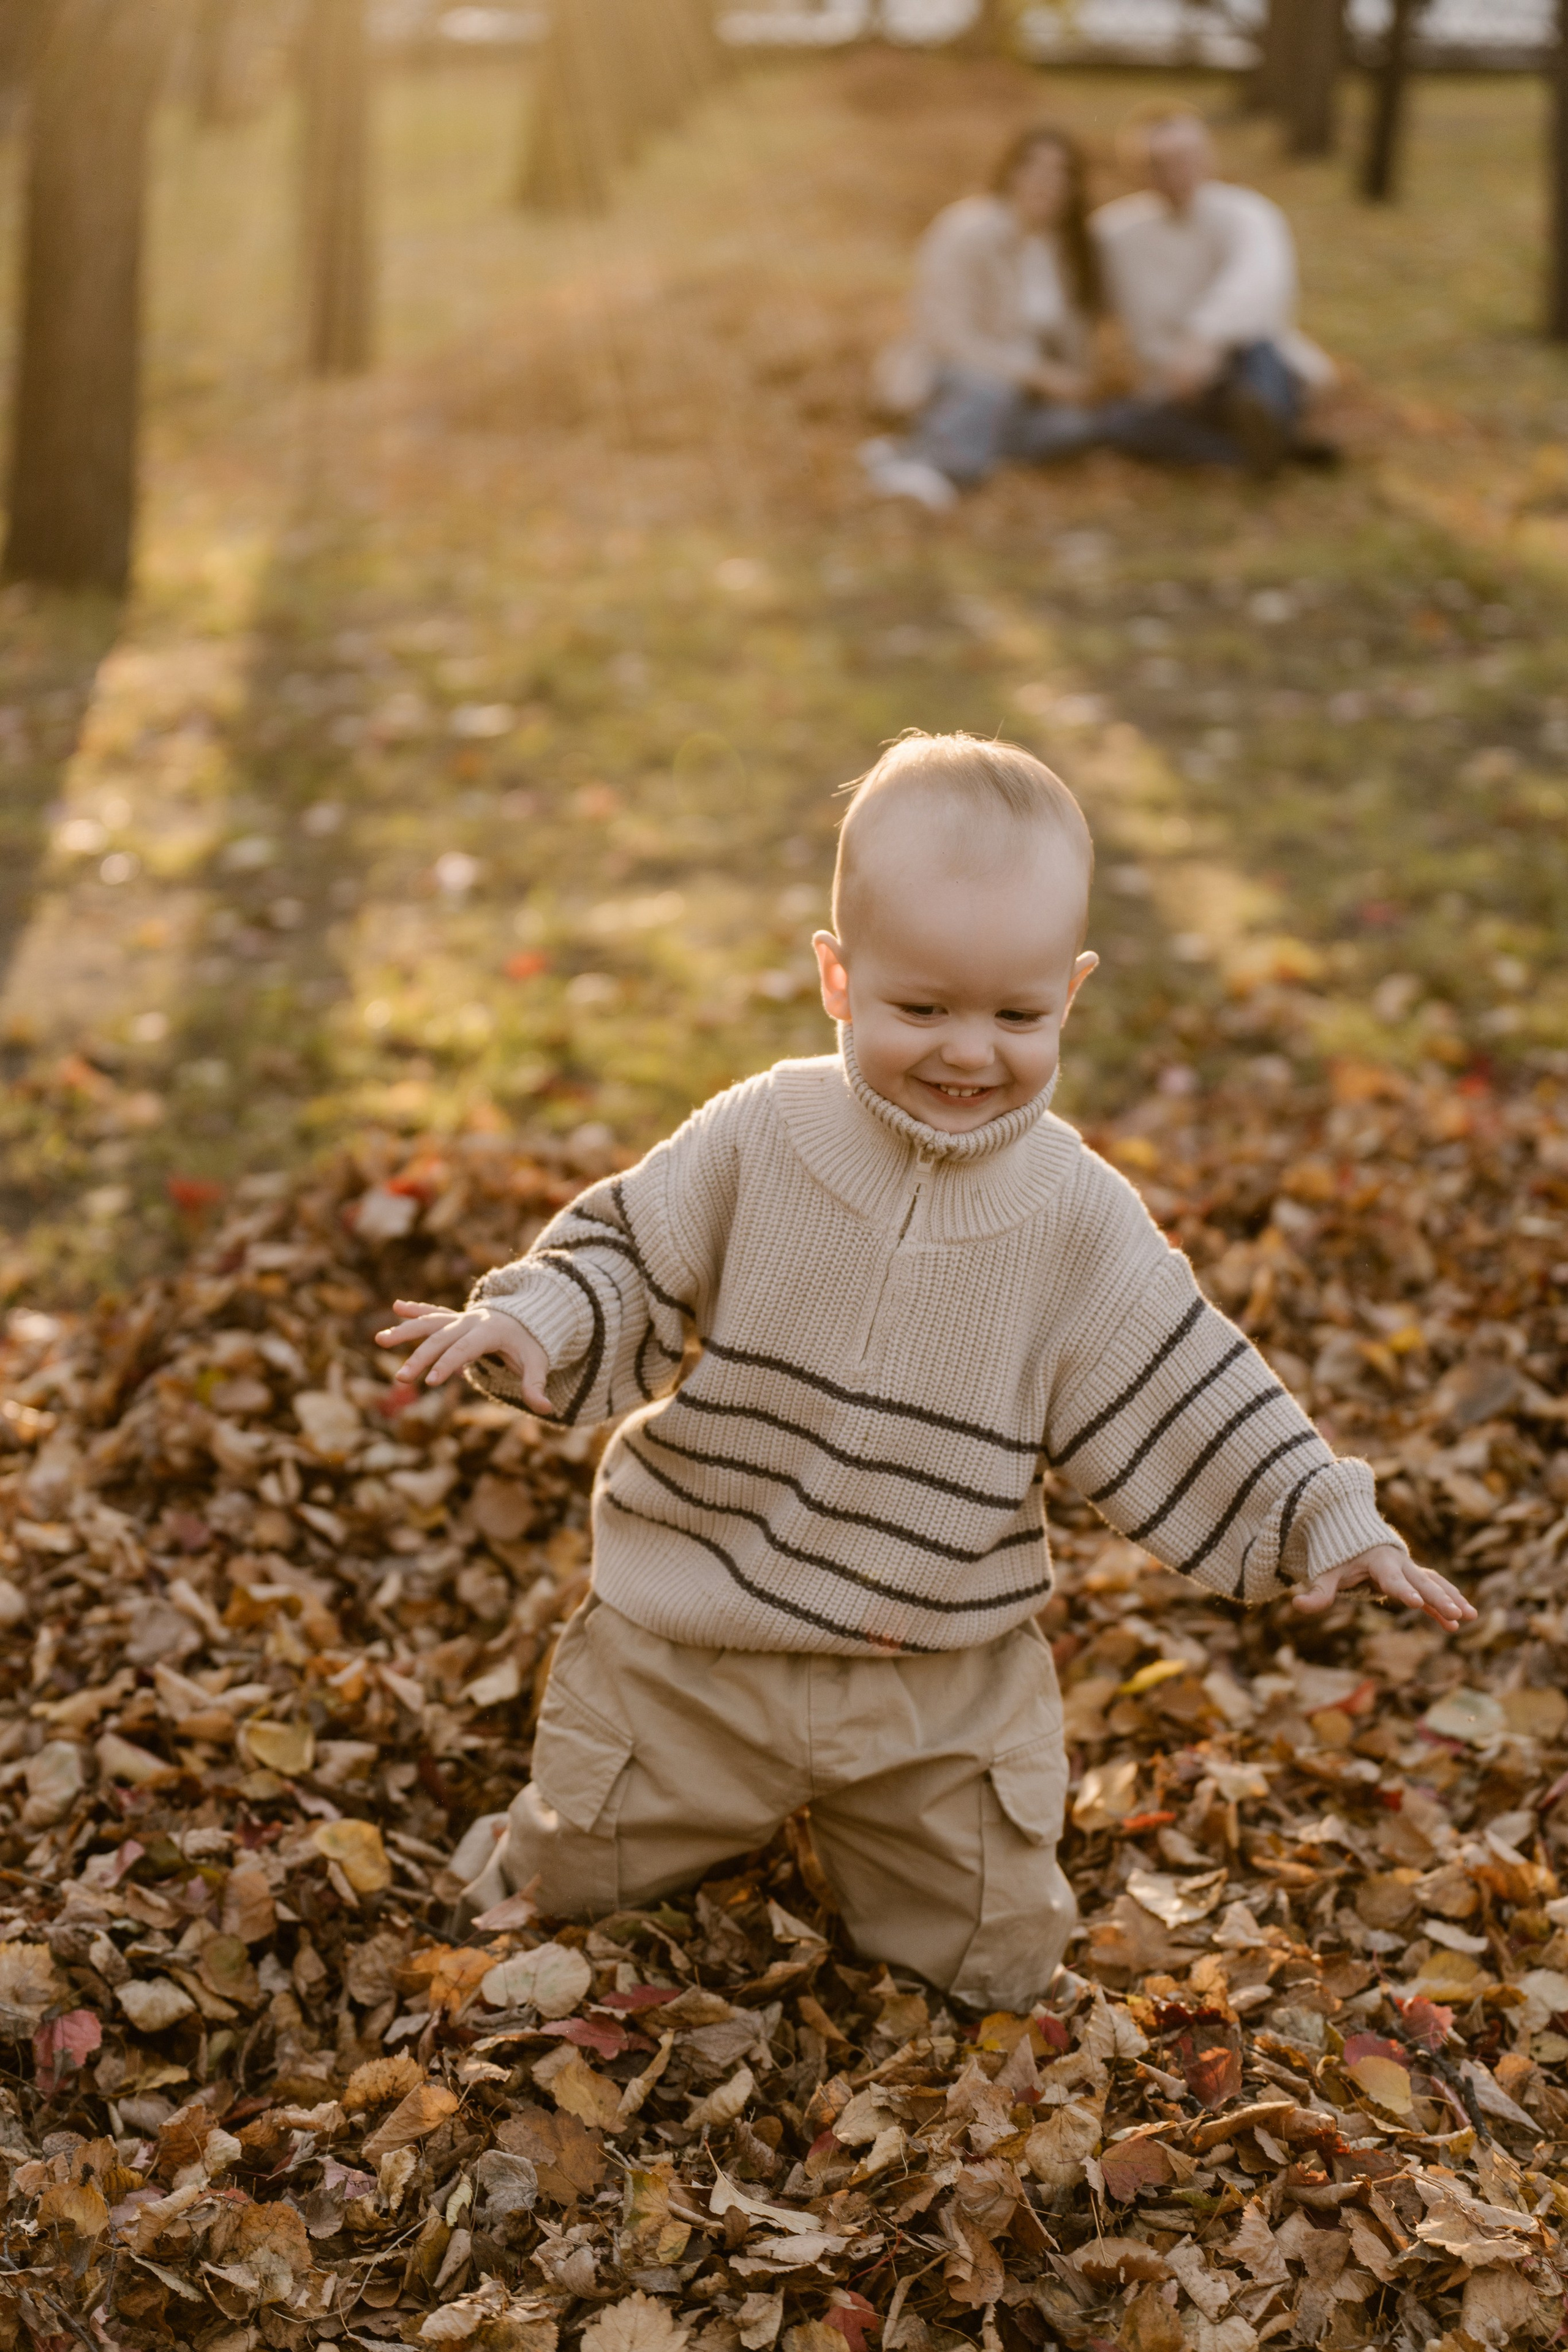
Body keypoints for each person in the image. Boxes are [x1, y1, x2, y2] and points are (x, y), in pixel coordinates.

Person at [379, 733, 1472, 2011]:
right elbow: (628, 1248)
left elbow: (1184, 1379)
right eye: (922, 1009)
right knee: (584, 1858)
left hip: (935, 1678)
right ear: (838, 979)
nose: (969, 1052)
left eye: (1016, 1015)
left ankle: (938, 1905)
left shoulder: (1073, 1216)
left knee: (991, 1956)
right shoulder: (760, 1134)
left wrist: (1319, 1516)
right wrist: (537, 1320)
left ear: (1071, 990)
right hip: (694, 1645)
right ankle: (538, 1863)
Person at [860, 126, 1107, 511]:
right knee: (990, 388)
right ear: (1012, 173)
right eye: (1035, 168)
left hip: (1022, 394)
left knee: (1073, 428)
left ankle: (909, 451)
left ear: (1074, 187)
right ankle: (935, 471)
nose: (1047, 182)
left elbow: (1072, 338)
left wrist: (1072, 379)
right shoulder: (967, 231)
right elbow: (946, 336)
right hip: (948, 370)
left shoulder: (1065, 251)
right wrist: (1033, 373)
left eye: (1061, 173)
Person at [1093, 104, 1337, 475]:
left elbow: (1259, 282)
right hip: (1170, 383)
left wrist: (1203, 339)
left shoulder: (1248, 213)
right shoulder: (1114, 231)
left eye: (1185, 159)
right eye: (1159, 163)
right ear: (1137, 169)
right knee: (1120, 424)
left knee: (1258, 362)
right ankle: (1269, 451)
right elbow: (1080, 298)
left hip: (1243, 363)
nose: (1176, 174)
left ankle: (1259, 433)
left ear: (1207, 158)